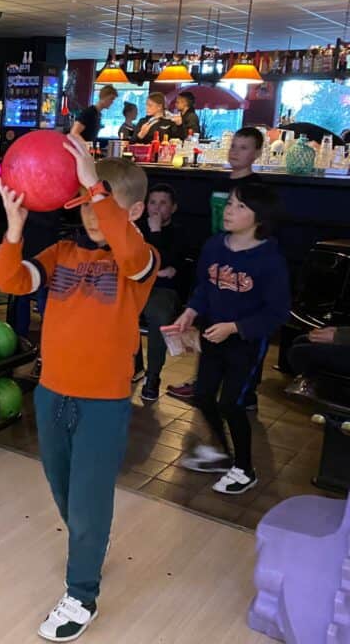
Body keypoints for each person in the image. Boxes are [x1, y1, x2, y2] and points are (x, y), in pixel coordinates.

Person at [0, 140, 158, 642]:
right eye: (84, 201)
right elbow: (11, 280)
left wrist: (94, 186)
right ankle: (92, 541)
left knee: (88, 500)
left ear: (134, 211)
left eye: (99, 200)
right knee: (63, 490)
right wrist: (15, 232)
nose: (90, 212)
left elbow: (131, 254)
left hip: (103, 403)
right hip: (51, 394)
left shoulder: (141, 260)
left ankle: (82, 593)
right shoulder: (62, 253)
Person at [173, 183, 289, 495]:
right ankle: (223, 453)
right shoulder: (214, 245)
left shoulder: (270, 260)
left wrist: (235, 327)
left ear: (259, 218)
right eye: (229, 204)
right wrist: (190, 312)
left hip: (246, 343)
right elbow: (204, 287)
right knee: (203, 395)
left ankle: (245, 469)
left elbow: (276, 313)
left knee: (232, 404)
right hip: (213, 336)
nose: (229, 211)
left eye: (240, 207)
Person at [167, 127, 265, 403]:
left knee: (239, 326)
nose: (236, 152)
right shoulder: (217, 182)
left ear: (257, 153)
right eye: (234, 146)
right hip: (214, 259)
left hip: (242, 265)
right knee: (209, 321)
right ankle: (204, 384)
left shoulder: (257, 189)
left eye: (244, 147)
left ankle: (245, 392)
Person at [134, 184, 182, 401]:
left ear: (173, 208)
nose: (156, 208)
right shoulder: (136, 229)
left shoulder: (179, 232)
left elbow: (168, 262)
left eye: (163, 203)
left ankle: (152, 376)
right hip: (136, 285)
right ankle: (131, 365)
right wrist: (157, 271)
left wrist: (155, 232)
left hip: (163, 291)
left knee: (158, 315)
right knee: (116, 309)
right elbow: (134, 262)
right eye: (152, 202)